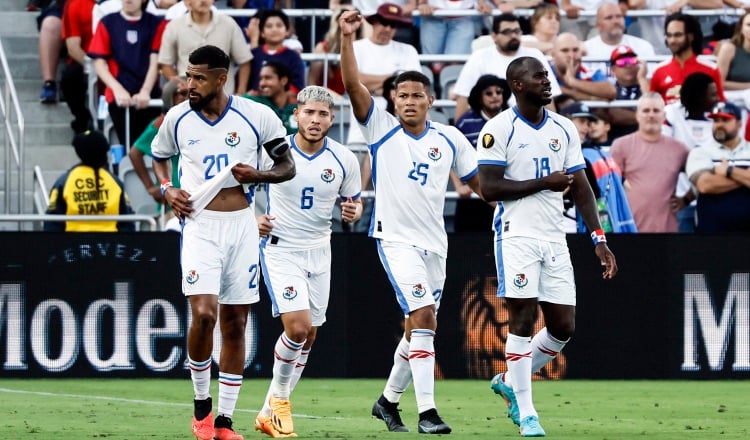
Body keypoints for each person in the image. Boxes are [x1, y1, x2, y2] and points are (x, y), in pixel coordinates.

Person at [340, 9, 482, 434]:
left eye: (416, 95)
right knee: (423, 317)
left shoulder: (450, 137)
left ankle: (386, 401)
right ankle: (427, 413)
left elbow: (479, 186)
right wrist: (347, 38)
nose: (408, 101)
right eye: (401, 95)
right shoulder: (381, 129)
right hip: (394, 238)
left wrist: (521, 197)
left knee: (419, 326)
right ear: (393, 101)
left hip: (435, 244)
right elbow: (351, 85)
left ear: (429, 100)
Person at [150, 45, 295, 440]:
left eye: (198, 77)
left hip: (243, 226)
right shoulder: (177, 118)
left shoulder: (257, 115)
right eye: (187, 76)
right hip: (200, 225)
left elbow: (287, 165)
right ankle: (201, 406)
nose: (189, 84)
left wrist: (259, 175)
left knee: (235, 322)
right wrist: (167, 188)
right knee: (205, 314)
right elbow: (157, 156)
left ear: (220, 78)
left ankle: (225, 422)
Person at [476, 56, 617, 437]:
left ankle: (508, 381)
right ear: (517, 85)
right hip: (516, 234)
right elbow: (488, 188)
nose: (547, 81)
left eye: (547, 75)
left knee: (563, 326)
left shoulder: (564, 127)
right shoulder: (498, 128)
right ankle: (527, 412)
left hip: (555, 235)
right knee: (522, 320)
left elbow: (581, 186)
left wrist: (598, 239)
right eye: (538, 76)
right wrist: (542, 182)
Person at [253, 86, 363, 438]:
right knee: (297, 328)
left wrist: (352, 211)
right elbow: (239, 190)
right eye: (309, 113)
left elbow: (354, 203)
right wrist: (253, 219)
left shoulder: (344, 158)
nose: (315, 120)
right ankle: (282, 402)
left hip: (320, 249)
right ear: (296, 115)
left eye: (323, 114)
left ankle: (267, 412)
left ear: (332, 119)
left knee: (310, 334)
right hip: (281, 247)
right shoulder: (275, 151)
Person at [453, 13, 561, 120]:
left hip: (532, 120)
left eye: (517, 31)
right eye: (507, 32)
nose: (513, 36)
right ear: (494, 36)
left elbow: (548, 95)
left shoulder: (535, 55)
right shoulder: (480, 57)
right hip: (492, 123)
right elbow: (463, 96)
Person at [88, 0, 166, 147]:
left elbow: (155, 60)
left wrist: (145, 91)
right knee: (131, 147)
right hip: (118, 97)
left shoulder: (156, 23)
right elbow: (99, 63)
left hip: (150, 96)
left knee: (153, 148)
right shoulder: (107, 22)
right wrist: (118, 90)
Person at [610, 93, 690, 233]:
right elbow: (609, 183)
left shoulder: (679, 149)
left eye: (656, 111)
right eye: (646, 110)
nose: (651, 115)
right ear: (637, 115)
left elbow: (700, 176)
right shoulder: (621, 146)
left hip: (668, 231)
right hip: (629, 230)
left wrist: (687, 199)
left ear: (664, 116)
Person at [128, 76, 189, 229]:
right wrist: (150, 187)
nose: (188, 97)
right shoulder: (162, 122)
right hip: (174, 202)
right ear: (170, 97)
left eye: (190, 93)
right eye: (182, 93)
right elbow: (135, 153)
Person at [45, 130, 135, 232]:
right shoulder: (115, 182)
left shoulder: (65, 182)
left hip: (73, 245)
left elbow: (52, 222)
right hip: (110, 245)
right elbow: (128, 220)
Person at [663, 72, 719, 233]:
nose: (717, 98)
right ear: (699, 96)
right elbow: (664, 151)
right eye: (712, 95)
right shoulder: (671, 113)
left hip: (710, 199)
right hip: (678, 199)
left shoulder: (719, 119)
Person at [158, 0, 251, 95]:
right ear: (187, 2)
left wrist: (241, 92)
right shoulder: (174, 26)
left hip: (223, 98)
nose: (203, 1)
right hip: (188, 99)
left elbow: (244, 61)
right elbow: (165, 64)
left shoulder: (229, 24)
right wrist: (182, 85)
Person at [454, 75, 509, 232]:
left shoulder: (513, 120)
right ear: (479, 97)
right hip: (472, 196)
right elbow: (451, 155)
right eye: (488, 93)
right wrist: (459, 185)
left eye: (499, 92)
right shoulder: (465, 122)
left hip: (505, 192)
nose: (495, 96)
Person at [686, 101, 750, 233]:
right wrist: (745, 177)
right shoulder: (700, 152)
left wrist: (728, 170)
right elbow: (705, 185)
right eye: (716, 120)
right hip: (712, 236)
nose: (719, 125)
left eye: (725, 120)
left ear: (739, 124)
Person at [650, 13, 725, 105]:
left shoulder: (711, 69)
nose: (672, 40)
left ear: (691, 37)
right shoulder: (659, 70)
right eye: (669, 35)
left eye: (678, 35)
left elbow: (720, 103)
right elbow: (652, 105)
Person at [583, 2, 655, 78]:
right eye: (609, 18)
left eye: (619, 16)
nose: (615, 21)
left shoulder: (643, 46)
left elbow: (650, 81)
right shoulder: (586, 49)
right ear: (598, 25)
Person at [248, 9, 306, 95]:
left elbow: (297, 88)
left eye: (279, 25)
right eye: (269, 26)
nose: (274, 29)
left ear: (287, 31)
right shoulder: (253, 54)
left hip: (283, 105)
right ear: (262, 33)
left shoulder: (294, 57)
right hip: (256, 103)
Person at [307, 5, 361, 96]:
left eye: (355, 15)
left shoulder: (362, 47)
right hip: (327, 100)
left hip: (354, 101)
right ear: (337, 19)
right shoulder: (322, 47)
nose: (350, 18)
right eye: (345, 13)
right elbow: (312, 83)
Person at [60, 0, 95, 133]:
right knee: (70, 77)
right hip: (86, 60)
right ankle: (82, 120)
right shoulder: (75, 4)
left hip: (117, 60)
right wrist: (95, 69)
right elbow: (73, 48)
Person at [550, 33, 616, 102]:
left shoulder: (589, 71)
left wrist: (573, 82)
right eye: (565, 50)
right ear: (553, 54)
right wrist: (575, 94)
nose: (571, 55)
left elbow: (611, 92)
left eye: (575, 50)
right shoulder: (546, 72)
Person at [242, 61, 298, 134]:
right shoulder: (254, 103)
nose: (262, 83)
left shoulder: (299, 107)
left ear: (284, 80)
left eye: (268, 78)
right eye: (261, 78)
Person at [715, 11, 750, 93]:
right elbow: (719, 83)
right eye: (749, 25)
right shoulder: (728, 49)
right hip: (732, 100)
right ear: (741, 28)